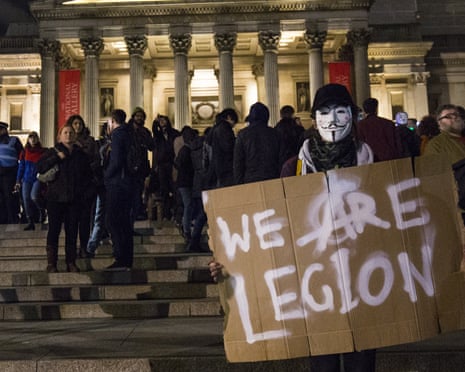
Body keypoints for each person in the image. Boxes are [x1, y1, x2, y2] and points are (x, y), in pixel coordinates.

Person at [210, 84, 376, 372]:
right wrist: (232, 260)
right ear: (314, 119)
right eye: (324, 112)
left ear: (353, 115)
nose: (333, 120)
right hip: (316, 290)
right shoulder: (292, 169)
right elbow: (270, 232)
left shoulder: (376, 165)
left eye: (340, 111)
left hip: (365, 284)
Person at [36, 125, 94, 273]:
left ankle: (71, 262)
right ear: (59, 136)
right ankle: (52, 263)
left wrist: (85, 194)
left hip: (74, 199)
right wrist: (56, 158)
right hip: (55, 198)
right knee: (54, 230)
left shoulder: (80, 155)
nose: (68, 135)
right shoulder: (52, 151)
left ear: (75, 136)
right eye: (65, 133)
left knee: (72, 231)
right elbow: (40, 167)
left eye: (71, 133)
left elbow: (88, 176)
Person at [104, 109, 136, 270]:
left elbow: (116, 162)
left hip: (118, 183)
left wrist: (106, 177)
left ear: (112, 121)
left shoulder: (117, 134)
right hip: (129, 182)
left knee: (112, 220)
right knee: (124, 222)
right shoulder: (131, 133)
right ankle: (127, 259)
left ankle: (120, 257)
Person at [66, 114, 98, 257]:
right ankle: (71, 250)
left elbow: (96, 159)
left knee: (85, 219)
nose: (77, 126)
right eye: (75, 124)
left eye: (79, 123)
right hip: (71, 186)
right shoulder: (67, 142)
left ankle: (84, 248)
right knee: (72, 221)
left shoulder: (90, 141)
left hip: (87, 184)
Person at [233, 102, 281, 185]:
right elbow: (281, 158)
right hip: (272, 177)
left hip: (250, 179)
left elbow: (238, 162)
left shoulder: (242, 134)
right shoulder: (275, 133)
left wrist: (239, 183)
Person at [86, 122, 111, 257]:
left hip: (112, 182)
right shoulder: (98, 144)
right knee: (98, 215)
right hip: (100, 182)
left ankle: (94, 243)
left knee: (103, 215)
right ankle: (91, 245)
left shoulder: (119, 142)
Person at [14, 131, 46, 230]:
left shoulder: (42, 152)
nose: (33, 139)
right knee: (26, 199)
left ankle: (41, 210)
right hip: (26, 178)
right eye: (31, 137)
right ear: (28, 139)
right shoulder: (24, 152)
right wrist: (18, 180)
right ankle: (30, 220)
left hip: (37, 178)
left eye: (35, 137)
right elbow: (21, 167)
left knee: (34, 196)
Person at [152, 115, 180, 221]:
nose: (162, 122)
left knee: (174, 188)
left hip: (173, 163)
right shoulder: (158, 135)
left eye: (164, 120)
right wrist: (155, 122)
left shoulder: (174, 133)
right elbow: (154, 130)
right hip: (162, 165)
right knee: (164, 189)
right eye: (160, 121)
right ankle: (166, 213)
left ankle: (176, 212)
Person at [128, 107, 154, 222]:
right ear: (133, 117)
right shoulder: (128, 131)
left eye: (141, 116)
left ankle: (139, 210)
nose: (139, 118)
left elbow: (151, 146)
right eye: (137, 116)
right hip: (130, 165)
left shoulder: (145, 131)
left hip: (142, 165)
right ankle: (134, 211)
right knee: (132, 190)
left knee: (141, 189)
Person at [174, 126, 197, 247]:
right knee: (188, 205)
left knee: (189, 205)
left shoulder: (184, 150)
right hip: (186, 182)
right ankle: (186, 228)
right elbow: (181, 165)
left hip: (184, 182)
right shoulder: (187, 151)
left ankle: (186, 225)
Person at [357, 97, 400, 162]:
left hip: (370, 161)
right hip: (389, 160)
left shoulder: (360, 125)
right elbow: (396, 144)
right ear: (376, 108)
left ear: (364, 110)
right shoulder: (388, 123)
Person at [205, 108, 238, 188]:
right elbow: (228, 147)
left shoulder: (216, 128)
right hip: (225, 168)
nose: (234, 125)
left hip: (217, 168)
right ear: (229, 117)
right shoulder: (224, 128)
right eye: (234, 121)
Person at [0, 121, 24, 224]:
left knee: (9, 196)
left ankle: (12, 218)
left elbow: (22, 156)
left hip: (10, 172)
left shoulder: (14, 140)